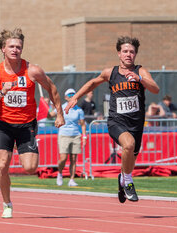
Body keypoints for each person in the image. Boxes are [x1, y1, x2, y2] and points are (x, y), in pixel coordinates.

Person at [67, 36, 160, 203]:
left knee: (131, 157)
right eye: (125, 51)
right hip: (117, 121)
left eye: (132, 52)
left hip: (136, 123)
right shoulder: (111, 72)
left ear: (136, 54)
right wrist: (76, 97)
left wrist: (140, 79)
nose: (128, 54)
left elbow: (155, 89)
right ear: (119, 53)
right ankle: (128, 182)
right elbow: (92, 83)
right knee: (128, 144)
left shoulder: (141, 71)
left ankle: (123, 179)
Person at [0, 28, 65, 218]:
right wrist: (2, 92)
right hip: (4, 124)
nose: (15, 50)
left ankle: (27, 151)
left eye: (18, 47)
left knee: (30, 168)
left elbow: (52, 88)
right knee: (2, 164)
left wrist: (59, 114)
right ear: (3, 49)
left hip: (26, 125)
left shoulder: (32, 70)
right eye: (11, 46)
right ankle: (7, 203)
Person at [56, 88, 85, 187]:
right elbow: (51, 115)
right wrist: (48, 109)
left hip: (76, 135)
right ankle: (59, 173)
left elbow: (83, 124)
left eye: (73, 94)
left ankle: (71, 179)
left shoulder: (79, 110)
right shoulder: (61, 107)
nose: (72, 96)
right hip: (64, 134)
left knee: (73, 158)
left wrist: (84, 136)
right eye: (69, 95)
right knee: (63, 158)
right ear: (65, 97)